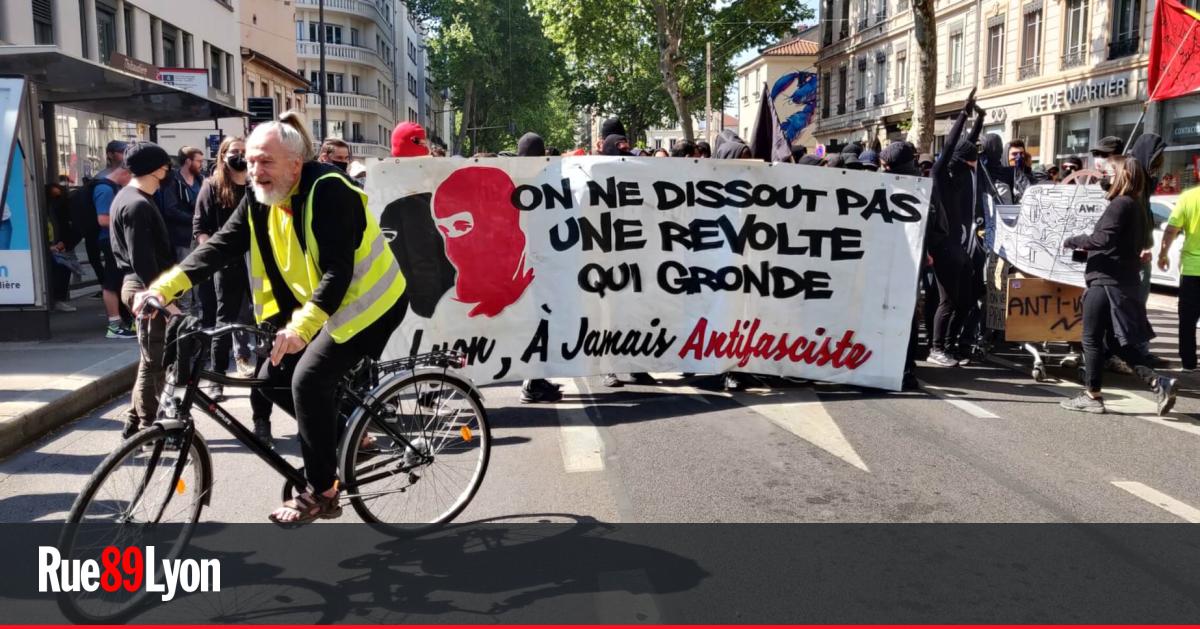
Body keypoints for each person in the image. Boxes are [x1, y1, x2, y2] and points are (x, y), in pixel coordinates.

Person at [137, 111, 408, 524]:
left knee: (309, 379)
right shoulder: (261, 198)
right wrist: (163, 288)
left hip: (368, 304)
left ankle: (322, 491)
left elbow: (338, 271)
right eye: (250, 161)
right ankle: (349, 436)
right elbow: (221, 246)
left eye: (266, 161)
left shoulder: (330, 191)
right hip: (320, 307)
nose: (255, 170)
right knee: (269, 379)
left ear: (295, 164)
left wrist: (301, 329)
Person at [1061, 155, 1177, 415]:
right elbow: (1119, 246)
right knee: (1117, 344)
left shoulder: (1120, 204)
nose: (1105, 176)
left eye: (1110, 171)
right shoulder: (1135, 206)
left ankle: (1092, 395)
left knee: (1090, 339)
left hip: (1105, 284)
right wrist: (1084, 253)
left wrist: (1073, 240)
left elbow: (1102, 239)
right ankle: (1159, 382)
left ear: (1122, 175)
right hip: (1122, 282)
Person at [109, 142, 178, 438]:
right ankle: (149, 429)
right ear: (157, 169)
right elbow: (142, 260)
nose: (168, 171)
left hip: (142, 287)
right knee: (155, 362)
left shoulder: (129, 197)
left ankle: (135, 420)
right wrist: (166, 301)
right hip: (145, 290)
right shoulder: (136, 204)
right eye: (166, 166)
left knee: (150, 360)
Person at [193, 137, 260, 415]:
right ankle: (217, 379)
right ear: (223, 156)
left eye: (245, 152)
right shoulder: (212, 186)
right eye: (235, 152)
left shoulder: (257, 183)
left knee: (263, 320)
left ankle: (267, 374)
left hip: (258, 263)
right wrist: (213, 259)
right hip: (228, 264)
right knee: (225, 320)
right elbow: (201, 228)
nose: (240, 156)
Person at [927, 90, 983, 367]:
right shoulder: (940, 177)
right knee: (947, 301)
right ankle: (936, 348)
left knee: (966, 301)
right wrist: (963, 113)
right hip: (944, 248)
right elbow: (951, 146)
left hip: (959, 248)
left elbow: (967, 144)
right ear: (963, 161)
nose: (976, 163)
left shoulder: (963, 176)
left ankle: (949, 346)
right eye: (972, 159)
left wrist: (979, 119)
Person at [514, 131, 564, 404]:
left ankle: (535, 379)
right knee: (539, 324)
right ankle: (532, 383)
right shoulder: (543, 180)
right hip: (536, 266)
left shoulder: (513, 178)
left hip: (521, 266)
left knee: (535, 324)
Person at [156, 146, 205, 315]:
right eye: (198, 161)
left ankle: (197, 312)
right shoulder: (172, 180)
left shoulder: (201, 180)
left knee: (199, 274)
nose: (201, 164)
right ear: (188, 161)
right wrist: (195, 219)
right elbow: (170, 209)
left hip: (197, 234)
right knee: (184, 273)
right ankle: (185, 314)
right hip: (182, 236)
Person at [1158, 185, 1200, 370]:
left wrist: (1163, 253)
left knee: (1188, 318)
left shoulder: (1189, 197)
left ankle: (1189, 362)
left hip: (1192, 269)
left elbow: (1171, 229)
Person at [94, 165, 136, 338]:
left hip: (114, 240)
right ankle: (114, 326)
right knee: (112, 282)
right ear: (124, 173)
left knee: (118, 280)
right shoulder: (105, 189)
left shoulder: (112, 188)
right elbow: (103, 220)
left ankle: (125, 322)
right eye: (130, 178)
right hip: (110, 240)